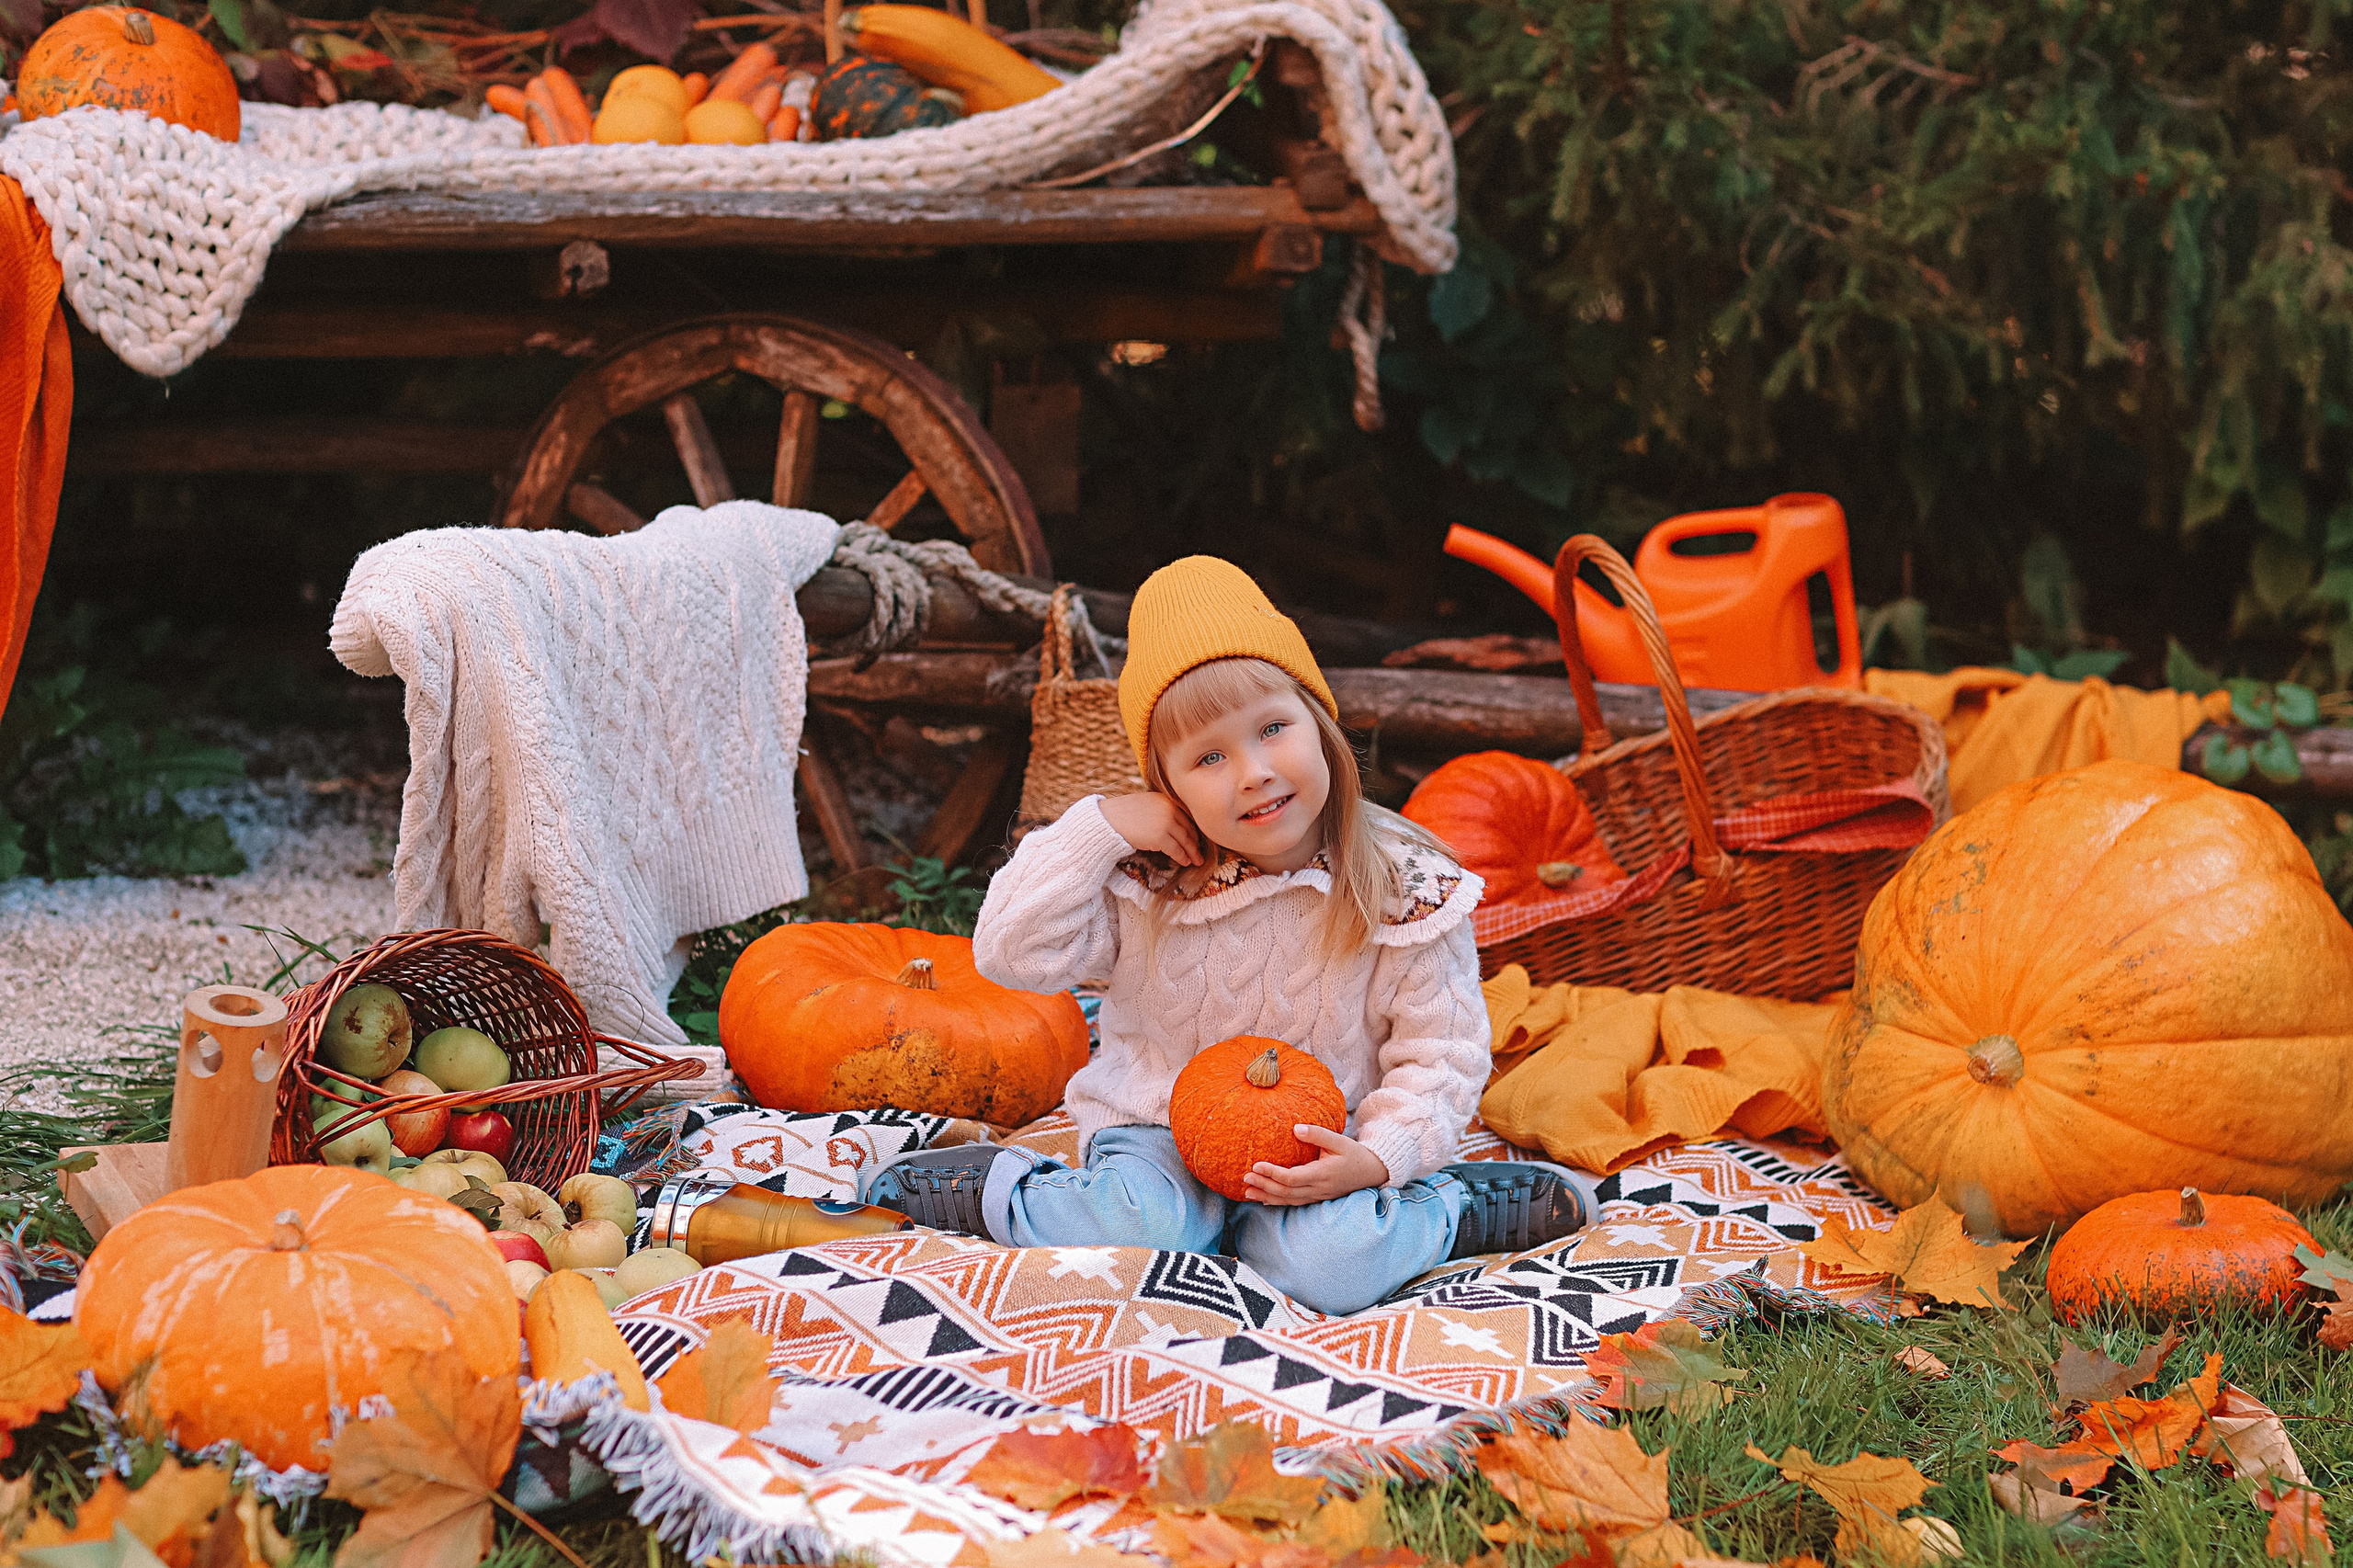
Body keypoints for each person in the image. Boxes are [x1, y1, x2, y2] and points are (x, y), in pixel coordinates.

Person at [861, 557, 1598, 1314]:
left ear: (1320, 725)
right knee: (1140, 1234)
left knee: (1330, 1270)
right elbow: (1009, 955)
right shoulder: (1146, 878)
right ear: (1167, 785)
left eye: (1273, 729)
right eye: (1208, 757)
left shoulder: (1401, 883)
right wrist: (1098, 826)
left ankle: (1446, 1210)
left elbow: (1440, 1054)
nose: (1252, 773)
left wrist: (1379, 1158)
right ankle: (996, 1189)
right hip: (1157, 1130)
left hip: (1318, 1142)